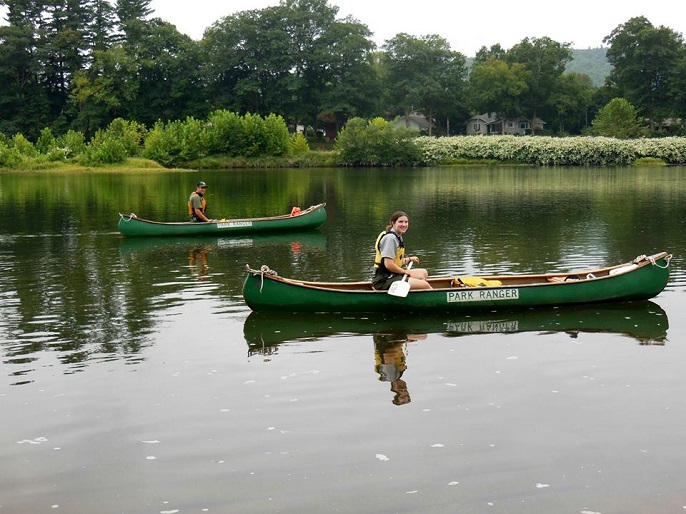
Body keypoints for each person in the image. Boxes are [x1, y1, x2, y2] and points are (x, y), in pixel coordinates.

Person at [372, 211, 432, 291]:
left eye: (406, 222)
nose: (404, 225)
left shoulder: (397, 236)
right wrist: (403, 271)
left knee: (423, 273)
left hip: (392, 274)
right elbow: (389, 264)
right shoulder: (390, 239)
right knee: (425, 285)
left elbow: (395, 261)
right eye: (400, 222)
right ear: (393, 223)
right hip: (384, 279)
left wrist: (409, 259)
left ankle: (412, 295)